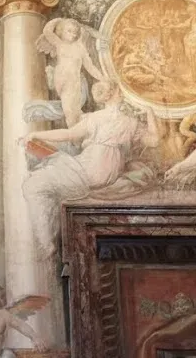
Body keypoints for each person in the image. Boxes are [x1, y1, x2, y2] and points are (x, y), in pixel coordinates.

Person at [22, 80, 158, 258]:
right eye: (119, 90)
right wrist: (150, 113)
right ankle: (48, 240)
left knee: (33, 184)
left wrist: (35, 134)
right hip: (99, 172)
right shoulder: (128, 123)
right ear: (114, 94)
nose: (122, 93)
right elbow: (154, 140)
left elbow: (68, 134)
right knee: (42, 178)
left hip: (88, 171)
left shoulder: (98, 119)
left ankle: (46, 243)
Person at [36, 18, 104, 127]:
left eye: (75, 32)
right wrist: (59, 20)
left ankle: (76, 136)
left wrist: (102, 78)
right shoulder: (59, 44)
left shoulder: (80, 47)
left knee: (72, 113)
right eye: (69, 31)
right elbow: (47, 31)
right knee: (70, 111)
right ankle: (76, 135)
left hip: (73, 81)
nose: (72, 34)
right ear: (61, 31)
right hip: (61, 79)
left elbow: (90, 67)